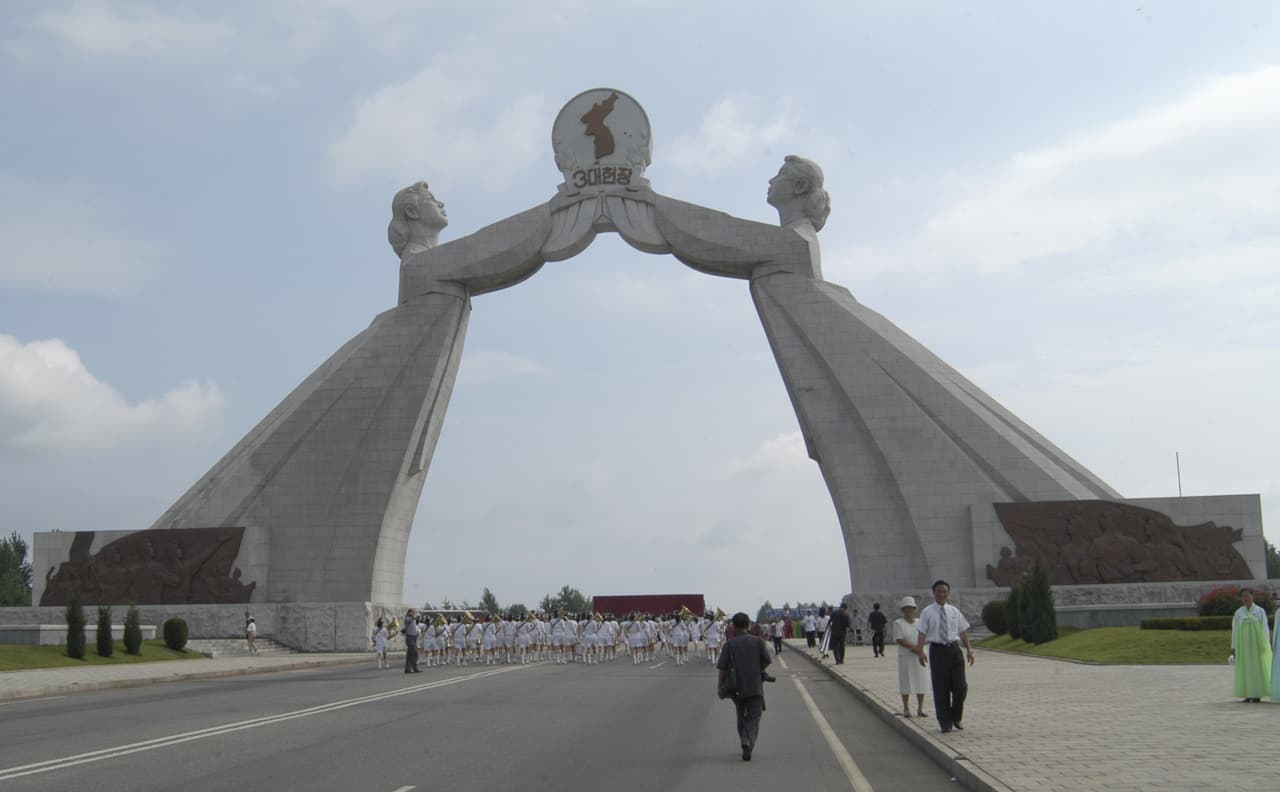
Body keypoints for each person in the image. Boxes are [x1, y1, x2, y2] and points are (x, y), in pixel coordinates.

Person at [914, 580, 975, 733]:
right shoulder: (927, 612)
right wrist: (920, 652)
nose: (942, 594)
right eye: (939, 592)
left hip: (954, 650)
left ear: (948, 593)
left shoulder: (954, 611)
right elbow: (922, 633)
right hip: (937, 651)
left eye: (944, 592)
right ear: (934, 593)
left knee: (960, 687)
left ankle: (956, 717)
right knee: (941, 688)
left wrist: (969, 650)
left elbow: (962, 632)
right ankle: (945, 722)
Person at [717, 612, 773, 761]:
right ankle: (747, 740)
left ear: (734, 626)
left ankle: (744, 738)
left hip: (736, 687)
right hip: (755, 685)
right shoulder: (758, 641)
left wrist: (720, 686)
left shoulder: (729, 644)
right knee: (754, 717)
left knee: (741, 715)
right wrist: (759, 669)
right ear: (748, 625)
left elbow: (722, 668)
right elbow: (767, 660)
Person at [1230, 587, 1272, 702]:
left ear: (1252, 596)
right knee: (1245, 669)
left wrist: (1265, 644)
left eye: (1248, 595)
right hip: (1243, 646)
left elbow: (1264, 628)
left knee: (1256, 669)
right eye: (1243, 596)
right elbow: (1235, 630)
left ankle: (1257, 694)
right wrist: (1234, 647)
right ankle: (1248, 694)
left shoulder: (1259, 611)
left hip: (1256, 646)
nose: (1246, 598)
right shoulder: (1238, 613)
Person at [892, 597, 929, 717]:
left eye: (911, 608)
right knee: (906, 682)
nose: (909, 611)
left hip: (920, 656)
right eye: (906, 608)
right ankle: (906, 708)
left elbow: (925, 637)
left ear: (914, 609)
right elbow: (899, 639)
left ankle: (920, 708)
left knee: (921, 682)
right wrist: (915, 649)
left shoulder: (920, 622)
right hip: (906, 656)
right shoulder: (898, 623)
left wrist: (920, 649)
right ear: (903, 610)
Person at [403, 608, 420, 673]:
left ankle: (407, 669)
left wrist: (417, 632)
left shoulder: (413, 619)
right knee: (415, 652)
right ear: (409, 613)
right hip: (410, 638)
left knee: (410, 654)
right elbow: (412, 618)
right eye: (413, 612)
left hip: (414, 638)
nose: (414, 613)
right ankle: (415, 668)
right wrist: (412, 614)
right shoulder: (407, 619)